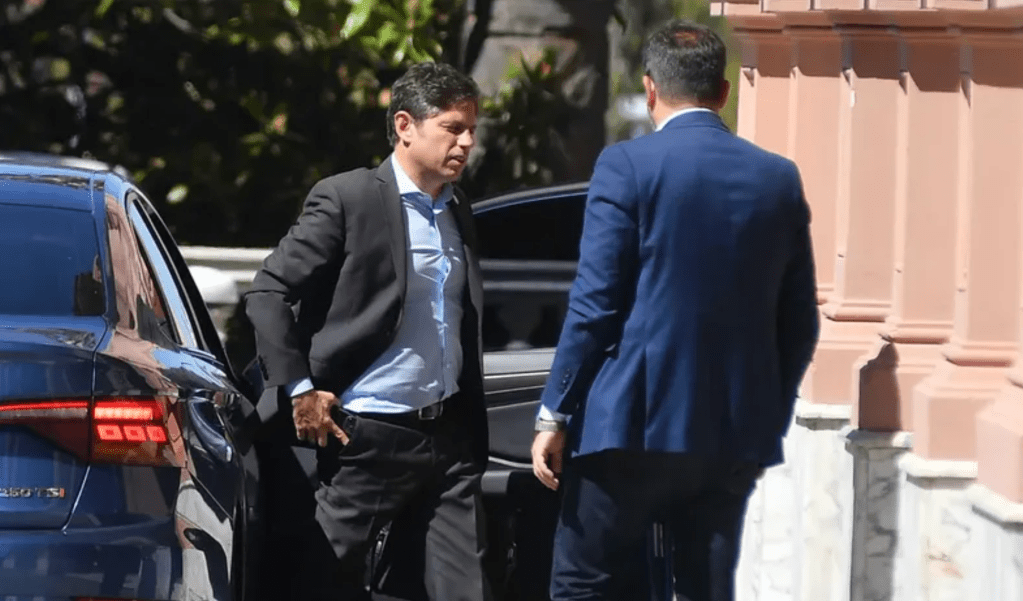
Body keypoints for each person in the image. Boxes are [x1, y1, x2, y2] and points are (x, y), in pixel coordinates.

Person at [530, 20, 820, 601]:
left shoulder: (626, 165)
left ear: (650, 88)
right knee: (703, 588)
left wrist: (554, 413)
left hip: (630, 425)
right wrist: (766, 408)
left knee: (584, 584)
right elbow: (799, 322)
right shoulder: (778, 178)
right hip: (730, 433)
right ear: (723, 91)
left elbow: (595, 304)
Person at [245, 62, 491, 601]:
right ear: (405, 126)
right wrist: (300, 390)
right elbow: (268, 293)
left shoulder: (457, 208)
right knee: (321, 582)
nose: (467, 142)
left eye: (472, 129)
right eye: (453, 128)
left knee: (465, 589)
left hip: (447, 439)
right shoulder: (349, 198)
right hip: (364, 435)